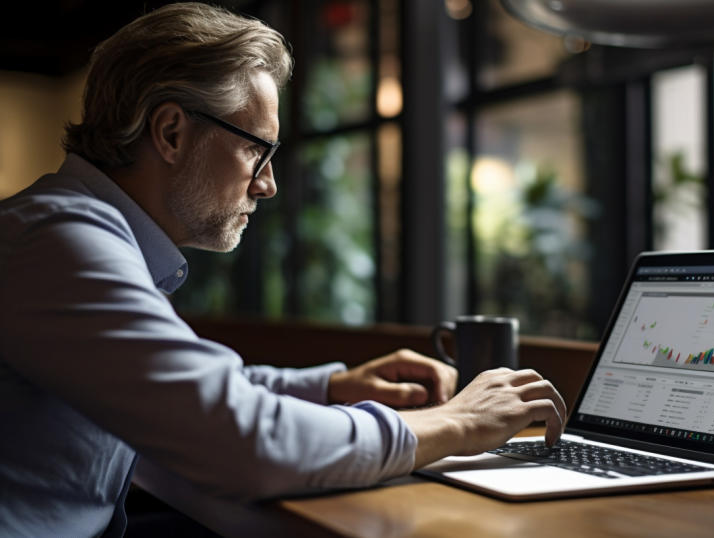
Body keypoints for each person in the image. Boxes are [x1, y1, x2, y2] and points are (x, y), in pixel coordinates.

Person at [0, 3, 566, 536]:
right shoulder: (59, 242)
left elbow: (183, 388)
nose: (267, 184)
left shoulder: (67, 234)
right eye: (256, 150)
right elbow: (237, 438)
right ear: (171, 132)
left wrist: (331, 386)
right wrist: (458, 423)